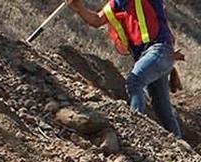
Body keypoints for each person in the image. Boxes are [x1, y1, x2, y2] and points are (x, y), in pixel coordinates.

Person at [66, 0, 182, 137]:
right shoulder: (117, 3)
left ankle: (135, 128)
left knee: (135, 81)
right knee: (162, 107)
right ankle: (179, 143)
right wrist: (78, 7)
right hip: (153, 55)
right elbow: (96, 20)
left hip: (159, 49)